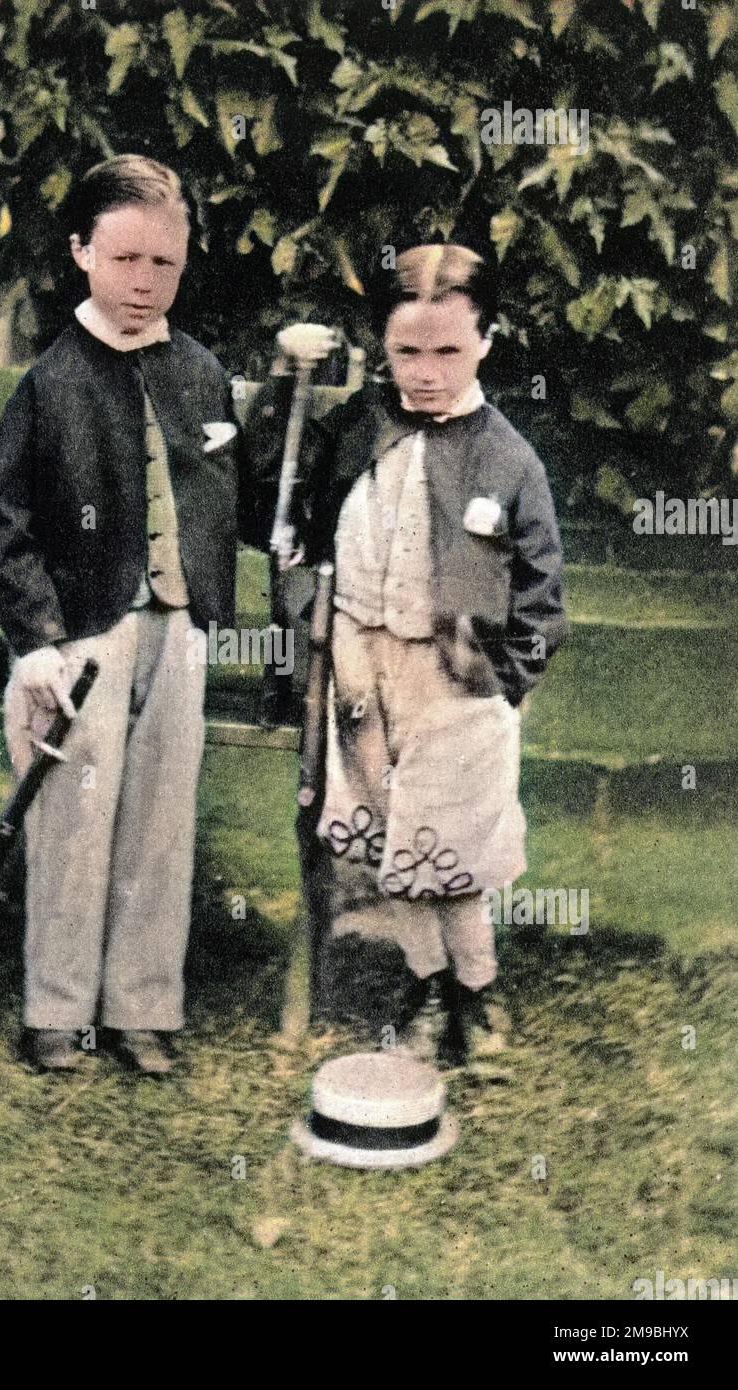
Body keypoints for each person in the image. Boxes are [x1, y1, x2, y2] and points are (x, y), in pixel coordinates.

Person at [0, 154, 269, 1075]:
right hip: (86, 638)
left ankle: (143, 1008)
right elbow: (8, 527)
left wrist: (290, 502)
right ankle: (58, 1009)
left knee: (162, 817)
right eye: (125, 259)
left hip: (178, 630)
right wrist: (35, 645)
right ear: (80, 252)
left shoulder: (202, 375)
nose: (144, 283)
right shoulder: (51, 383)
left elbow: (238, 500)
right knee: (75, 814)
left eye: (165, 265)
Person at [248, 244, 568, 1066]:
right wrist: (287, 379)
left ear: (487, 340)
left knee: (451, 853)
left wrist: (508, 680)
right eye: (406, 352)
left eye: (448, 351)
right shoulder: (357, 425)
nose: (426, 372)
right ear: (382, 347)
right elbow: (267, 498)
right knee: (396, 850)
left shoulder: (508, 458)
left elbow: (542, 594)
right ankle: (427, 986)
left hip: (451, 682)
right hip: (357, 668)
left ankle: (479, 993)